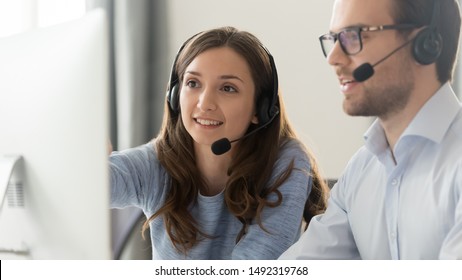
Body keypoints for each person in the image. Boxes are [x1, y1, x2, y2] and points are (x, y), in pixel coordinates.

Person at [109, 26, 329, 259]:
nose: (205, 103)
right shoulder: (157, 160)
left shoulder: (286, 161)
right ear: (175, 95)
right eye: (193, 83)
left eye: (227, 88)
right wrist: (86, 155)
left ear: (260, 109)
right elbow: (90, 186)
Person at [280, 0, 462, 259]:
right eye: (334, 38)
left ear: (425, 45)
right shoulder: (362, 168)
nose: (333, 58)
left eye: (353, 36)